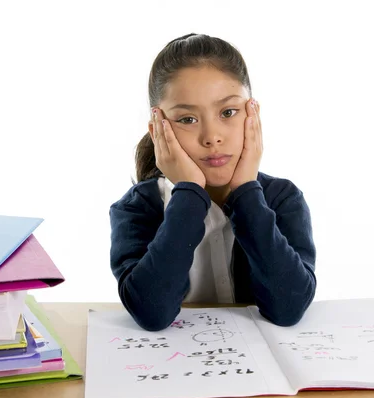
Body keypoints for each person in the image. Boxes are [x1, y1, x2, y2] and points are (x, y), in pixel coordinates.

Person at [109, 33, 316, 331]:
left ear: (253, 115)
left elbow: (288, 309)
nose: (211, 137)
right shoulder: (137, 207)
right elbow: (151, 313)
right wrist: (189, 193)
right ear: (157, 129)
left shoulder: (282, 198)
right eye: (187, 119)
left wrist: (246, 192)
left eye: (228, 112)